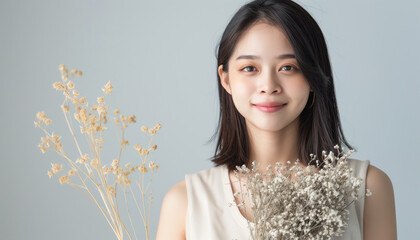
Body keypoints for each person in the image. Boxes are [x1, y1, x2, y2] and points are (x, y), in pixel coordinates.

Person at [156, 0, 397, 239]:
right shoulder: (185, 203)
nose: (269, 86)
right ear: (226, 79)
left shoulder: (367, 187)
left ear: (313, 77)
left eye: (288, 67)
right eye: (250, 68)